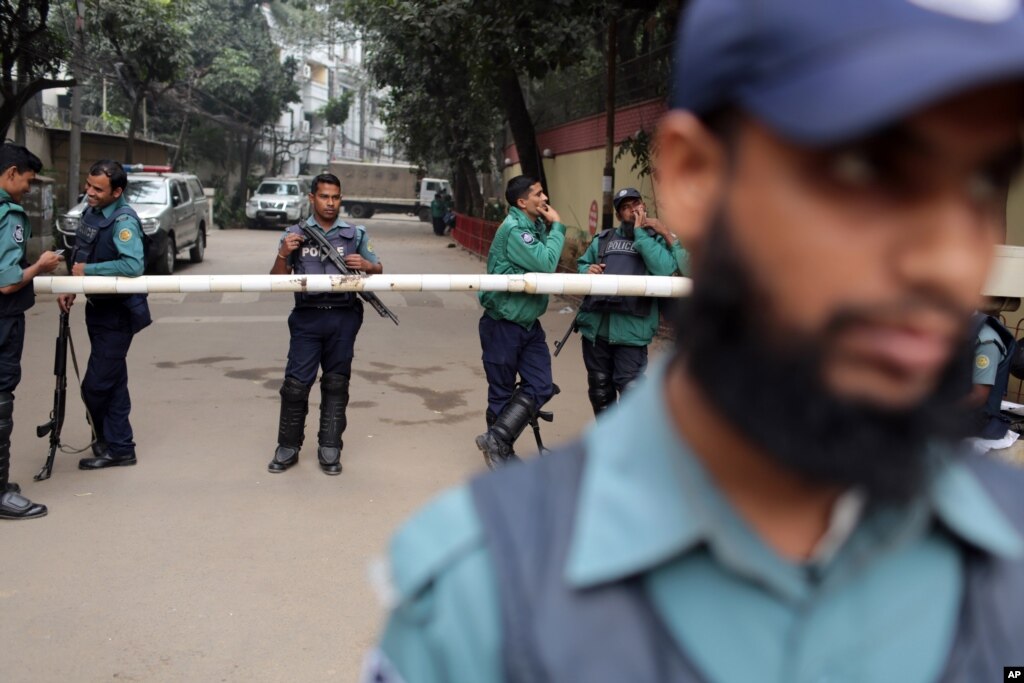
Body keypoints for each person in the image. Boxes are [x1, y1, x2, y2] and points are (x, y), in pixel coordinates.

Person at [366, 0, 1024, 679]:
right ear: (693, 177)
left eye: (984, 181)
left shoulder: (1014, 572)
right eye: (868, 170)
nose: (949, 259)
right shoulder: (482, 607)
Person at [268, 172, 382, 475]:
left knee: (336, 383)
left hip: (344, 317)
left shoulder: (356, 233)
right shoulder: (294, 233)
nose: (330, 203)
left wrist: (368, 266)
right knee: (295, 385)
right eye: (324, 197)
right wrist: (283, 254)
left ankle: (330, 448)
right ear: (312, 198)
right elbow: (276, 281)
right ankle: (288, 446)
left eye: (335, 197)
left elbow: (379, 268)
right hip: (307, 317)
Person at [58, 160, 149, 470]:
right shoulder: (93, 212)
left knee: (95, 386)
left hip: (118, 314)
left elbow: (133, 265)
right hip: (97, 310)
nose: (90, 192)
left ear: (117, 191)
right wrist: (72, 284)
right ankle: (119, 447)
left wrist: (89, 272)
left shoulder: (123, 221)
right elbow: (81, 251)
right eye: (88, 185)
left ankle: (108, 441)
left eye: (98, 189)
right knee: (113, 382)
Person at [474, 175, 564, 469]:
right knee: (501, 389)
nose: (545, 198)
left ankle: (495, 439)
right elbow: (546, 263)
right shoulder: (515, 230)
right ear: (522, 202)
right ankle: (500, 452)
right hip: (503, 323)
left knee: (540, 385)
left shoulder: (533, 226)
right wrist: (558, 226)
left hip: (527, 323)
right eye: (538, 194)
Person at [575, 187, 688, 415]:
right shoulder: (603, 239)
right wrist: (588, 269)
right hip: (597, 330)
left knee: (631, 393)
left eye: (635, 204)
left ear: (644, 206)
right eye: (625, 207)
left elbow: (665, 269)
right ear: (618, 215)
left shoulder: (657, 239)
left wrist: (648, 233)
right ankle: (608, 444)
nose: (632, 210)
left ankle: (631, 446)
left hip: (632, 331)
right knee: (600, 393)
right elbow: (581, 266)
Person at [0, 144, 62, 519]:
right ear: (10, 174)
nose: (28, 188)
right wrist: (40, 264)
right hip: (3, 318)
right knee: (1, 396)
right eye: (27, 180)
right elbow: (7, 282)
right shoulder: (10, 215)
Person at [966, 312, 1017, 444]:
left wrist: (941, 409)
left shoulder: (986, 342)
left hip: (976, 416)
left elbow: (978, 397)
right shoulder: (959, 332)